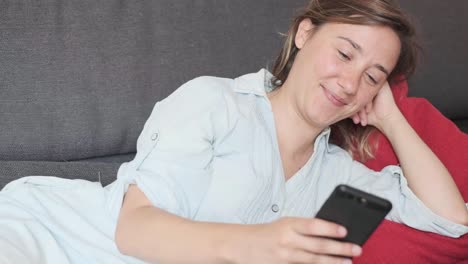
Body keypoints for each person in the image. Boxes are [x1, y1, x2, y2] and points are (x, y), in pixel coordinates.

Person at [0, 0, 467, 263]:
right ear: (304, 34)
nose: (349, 83)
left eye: (372, 76)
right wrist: (261, 244)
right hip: (48, 238)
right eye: (344, 54)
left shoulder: (335, 173)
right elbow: (133, 230)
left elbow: (451, 220)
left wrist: (390, 117)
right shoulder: (214, 102)